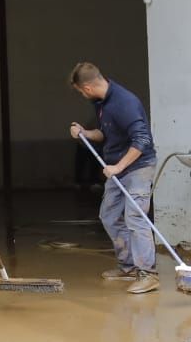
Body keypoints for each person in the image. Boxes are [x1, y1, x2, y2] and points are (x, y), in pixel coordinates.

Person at [68, 61, 159, 295]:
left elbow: (141, 140)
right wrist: (85, 133)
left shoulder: (124, 102)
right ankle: (128, 266)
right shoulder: (102, 103)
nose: (81, 95)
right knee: (108, 215)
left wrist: (118, 166)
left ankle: (148, 274)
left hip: (137, 167)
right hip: (118, 167)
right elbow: (105, 133)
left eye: (79, 92)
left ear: (86, 88)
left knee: (136, 218)